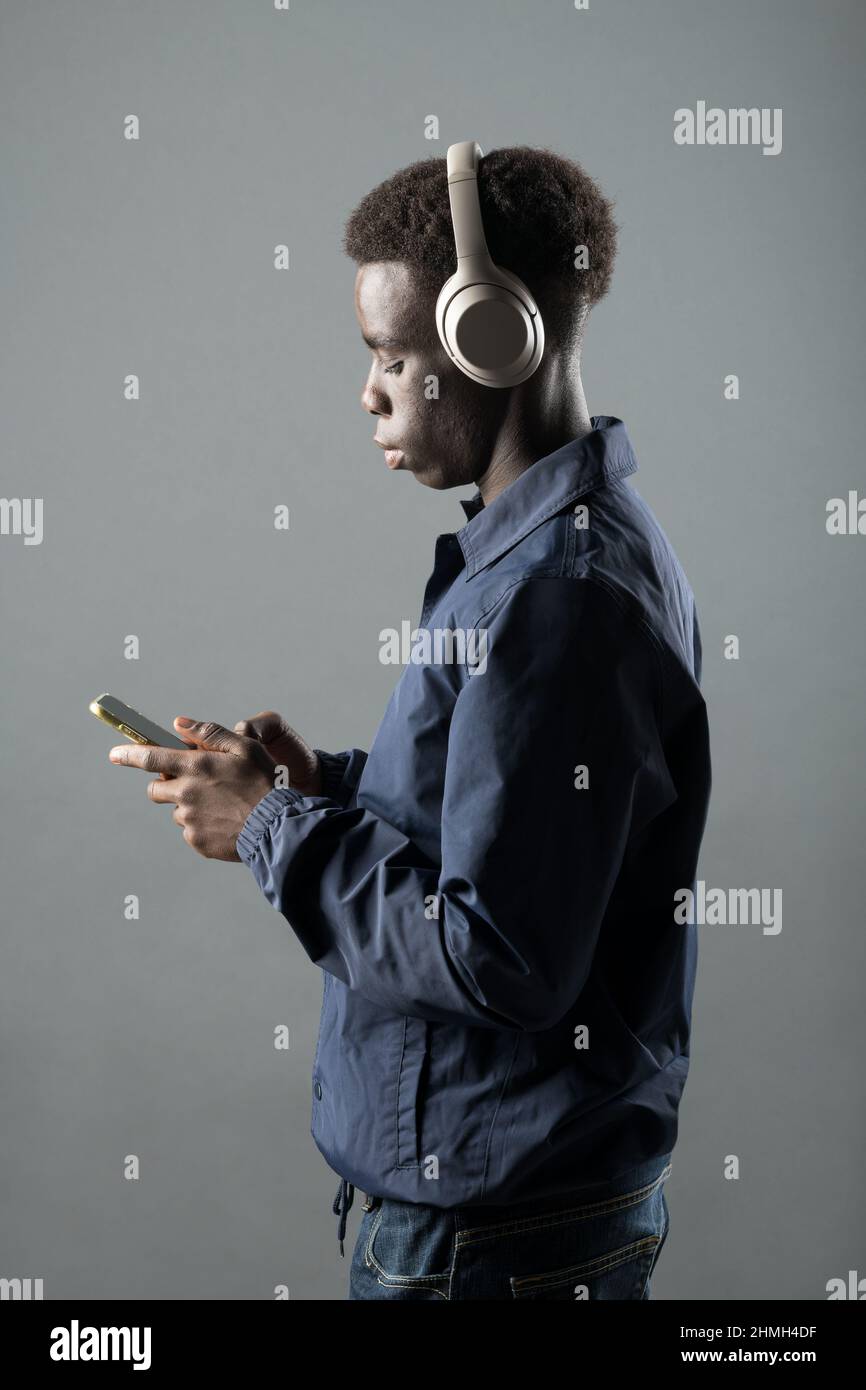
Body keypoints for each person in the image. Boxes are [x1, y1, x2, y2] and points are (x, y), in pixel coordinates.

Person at [109, 144, 712, 1300]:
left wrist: (277, 829)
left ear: (494, 343)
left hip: (494, 1245)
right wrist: (326, 783)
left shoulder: (553, 598)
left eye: (392, 356)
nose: (369, 390)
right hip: (505, 1227)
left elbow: (503, 956)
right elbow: (511, 822)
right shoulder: (547, 556)